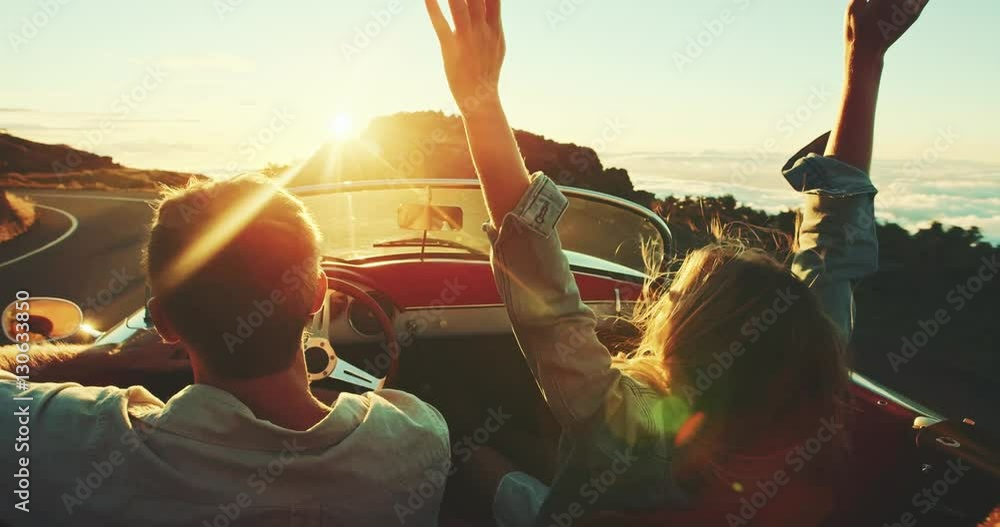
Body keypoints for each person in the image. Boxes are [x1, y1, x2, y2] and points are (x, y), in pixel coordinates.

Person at [423, 0, 929, 525]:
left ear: (686, 337)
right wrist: (864, 56)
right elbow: (835, 240)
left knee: (486, 467)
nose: (662, 295)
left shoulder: (625, 424)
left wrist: (479, 100)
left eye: (678, 294)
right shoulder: (804, 368)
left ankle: (457, 439)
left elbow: (539, 282)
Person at [0, 176, 450, 526]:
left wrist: (116, 360)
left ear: (165, 322)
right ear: (319, 297)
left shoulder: (77, 442)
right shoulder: (418, 438)